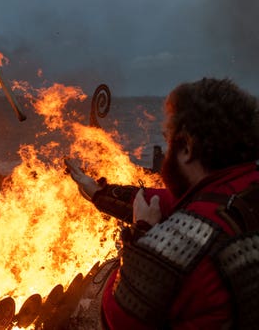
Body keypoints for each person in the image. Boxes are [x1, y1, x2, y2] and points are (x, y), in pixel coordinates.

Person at [66, 77, 259, 329]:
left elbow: (119, 317)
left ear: (187, 148)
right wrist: (99, 194)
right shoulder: (241, 190)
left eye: (168, 140)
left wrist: (142, 231)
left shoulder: (188, 239)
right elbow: (167, 200)